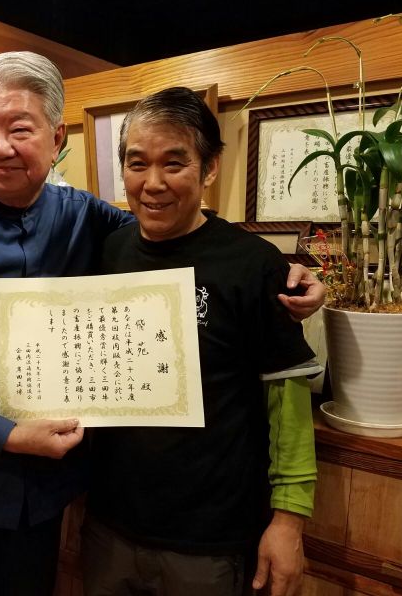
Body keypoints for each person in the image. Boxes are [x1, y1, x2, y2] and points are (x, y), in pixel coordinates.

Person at [0, 52, 324, 596]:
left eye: (20, 129)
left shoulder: (83, 216)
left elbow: (179, 229)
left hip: (43, 504)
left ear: (56, 138)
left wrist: (287, 272)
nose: (0, 147)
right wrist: (6, 435)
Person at [82, 87, 319, 596]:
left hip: (211, 540)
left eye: (174, 163)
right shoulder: (107, 253)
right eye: (137, 164)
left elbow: (288, 398)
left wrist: (288, 522)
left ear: (209, 168)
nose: (153, 183)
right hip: (108, 525)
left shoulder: (253, 264)